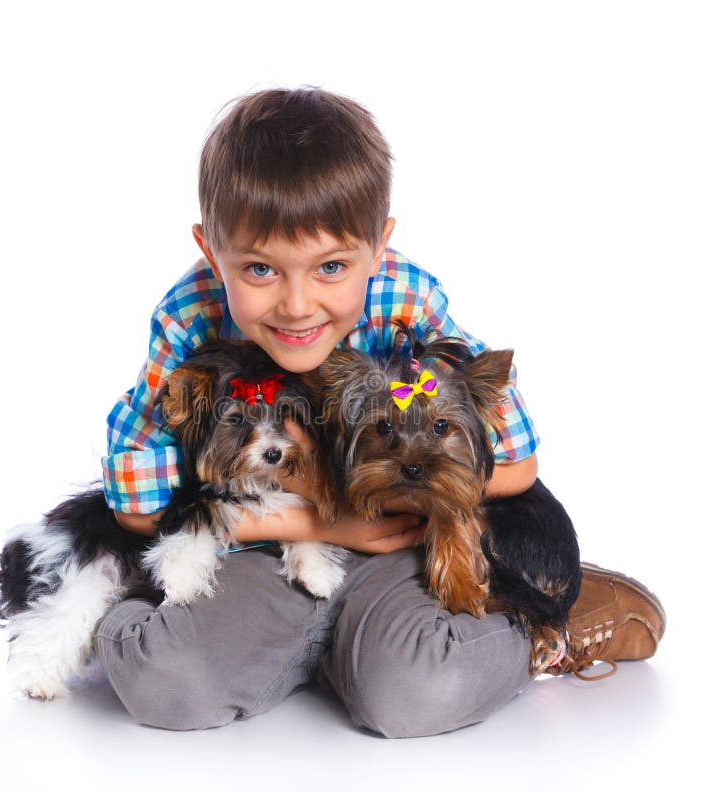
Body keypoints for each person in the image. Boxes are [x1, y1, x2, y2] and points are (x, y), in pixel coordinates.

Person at [93, 86, 665, 737]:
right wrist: (323, 522)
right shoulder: (189, 315)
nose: (299, 304)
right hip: (260, 545)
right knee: (165, 682)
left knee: (415, 694)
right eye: (259, 270)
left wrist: (392, 496)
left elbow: (515, 465)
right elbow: (134, 503)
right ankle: (111, 607)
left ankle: (542, 616)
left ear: (379, 245)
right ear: (210, 251)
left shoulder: (407, 300)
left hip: (396, 545)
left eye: (332, 266)